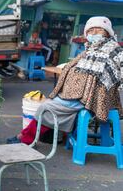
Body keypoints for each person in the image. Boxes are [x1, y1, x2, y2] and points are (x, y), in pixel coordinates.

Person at [7, 16, 123, 144]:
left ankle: (25, 138)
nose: (94, 33)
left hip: (93, 98)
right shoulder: (90, 49)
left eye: (99, 30)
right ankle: (27, 137)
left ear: (107, 33)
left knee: (47, 108)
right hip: (77, 95)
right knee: (48, 106)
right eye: (91, 30)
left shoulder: (114, 49)